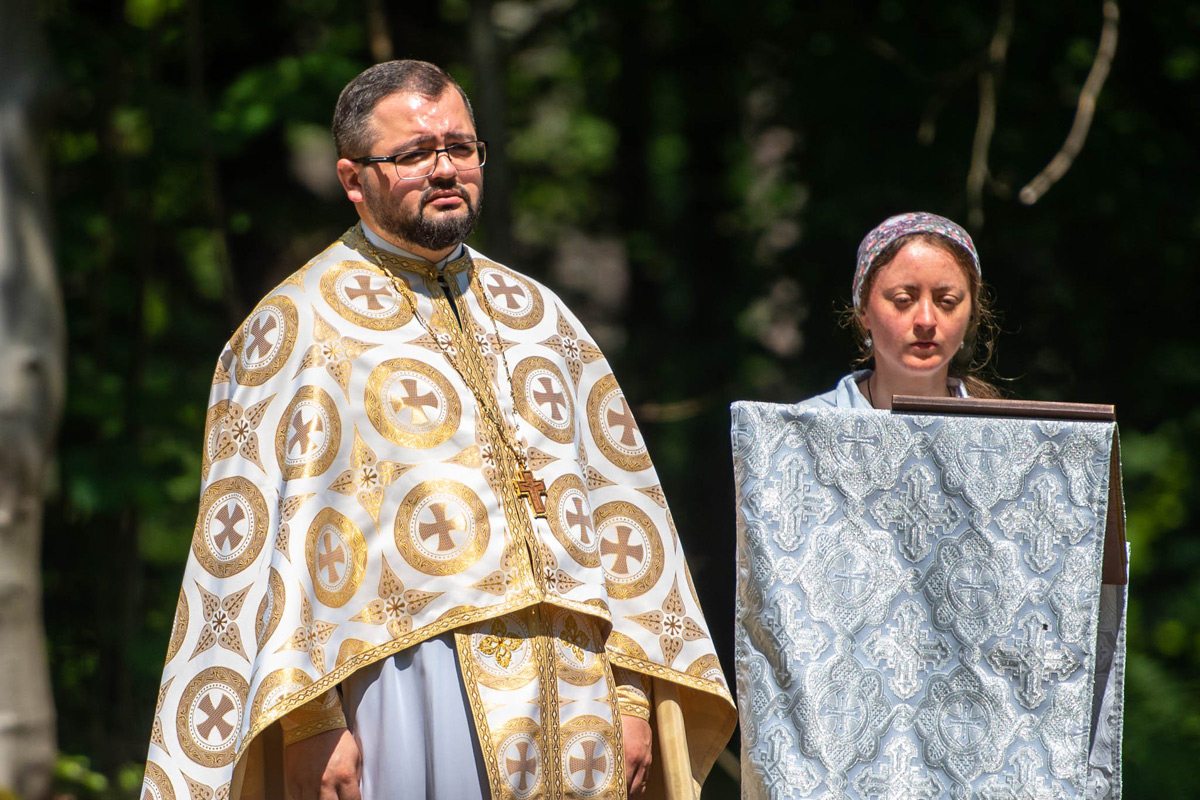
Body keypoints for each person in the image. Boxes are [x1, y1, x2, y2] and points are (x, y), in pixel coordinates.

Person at [141, 60, 734, 800]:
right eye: (415, 154)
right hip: (406, 682)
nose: (446, 169)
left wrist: (631, 692)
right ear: (354, 179)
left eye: (460, 147)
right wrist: (309, 723)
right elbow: (267, 555)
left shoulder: (540, 317)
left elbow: (619, 518)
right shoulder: (297, 327)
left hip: (576, 686)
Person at [802, 211, 999, 409]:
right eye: (903, 300)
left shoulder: (995, 428)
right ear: (863, 310)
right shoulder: (803, 424)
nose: (926, 320)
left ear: (971, 313)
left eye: (947, 301)